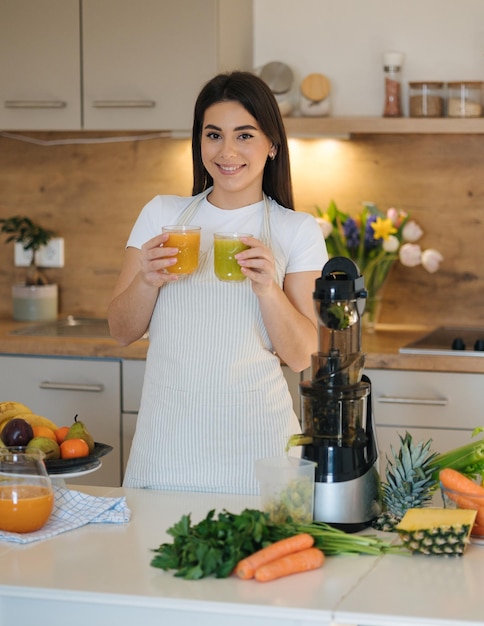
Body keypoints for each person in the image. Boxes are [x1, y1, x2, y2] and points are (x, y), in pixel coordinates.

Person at [108, 71, 328, 494]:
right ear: (200, 142)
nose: (227, 151)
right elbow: (121, 330)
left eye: (244, 135)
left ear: (272, 145)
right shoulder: (162, 214)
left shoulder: (295, 230)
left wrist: (269, 290)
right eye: (214, 135)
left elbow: (304, 356)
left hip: (258, 448)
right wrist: (147, 281)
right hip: (165, 446)